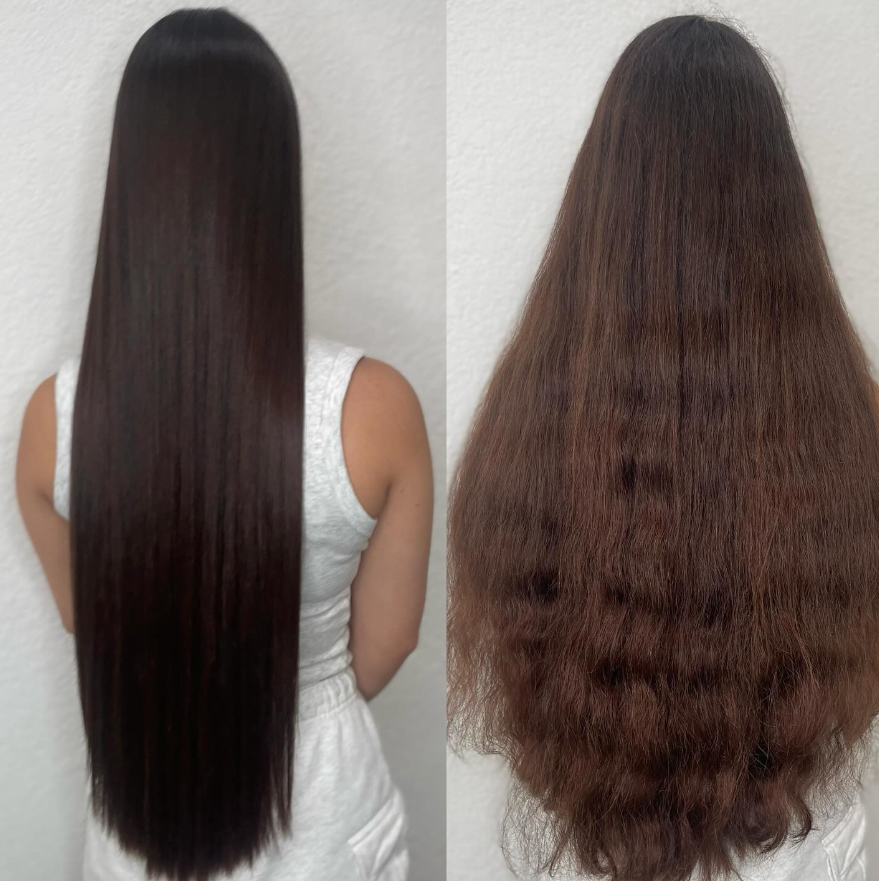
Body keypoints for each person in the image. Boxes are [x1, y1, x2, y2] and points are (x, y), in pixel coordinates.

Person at [448, 15, 878, 881]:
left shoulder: (521, 431)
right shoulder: (854, 426)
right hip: (798, 848)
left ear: (603, 192)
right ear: (779, 198)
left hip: (599, 850)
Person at [15, 9, 432, 881]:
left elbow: (88, 614)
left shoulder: (54, 420)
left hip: (136, 817)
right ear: (273, 178)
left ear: (130, 179)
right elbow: (389, 640)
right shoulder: (374, 408)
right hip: (322, 817)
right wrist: (293, 690)